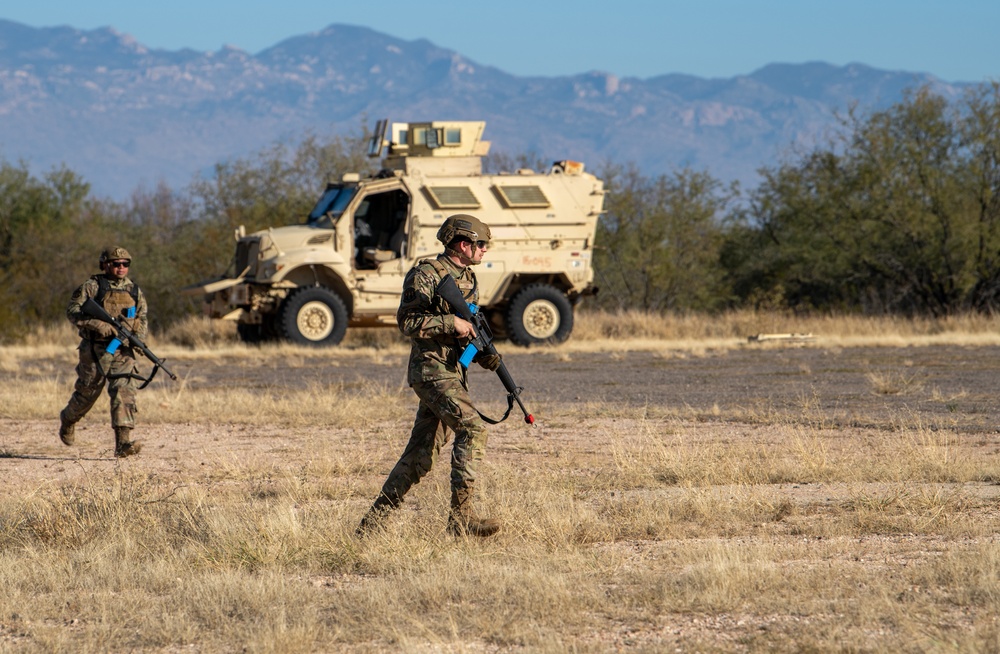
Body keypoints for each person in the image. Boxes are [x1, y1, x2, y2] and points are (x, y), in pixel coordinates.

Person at [358, 214, 503, 537]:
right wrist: (451, 324)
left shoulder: (468, 279)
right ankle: (461, 519)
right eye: (481, 244)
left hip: (452, 373)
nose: (484, 251)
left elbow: (464, 339)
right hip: (430, 371)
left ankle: (370, 527)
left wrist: (480, 355)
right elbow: (407, 322)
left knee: (420, 456)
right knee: (473, 430)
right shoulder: (427, 274)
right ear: (463, 244)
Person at [58, 246, 147, 457]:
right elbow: (72, 312)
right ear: (105, 265)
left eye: (126, 264)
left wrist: (138, 339)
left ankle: (123, 444)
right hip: (94, 351)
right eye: (116, 264)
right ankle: (68, 419)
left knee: (124, 391)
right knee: (87, 393)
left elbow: (141, 318)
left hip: (121, 350)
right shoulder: (92, 287)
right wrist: (96, 324)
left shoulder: (134, 290)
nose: (121, 268)